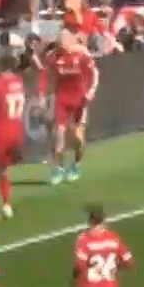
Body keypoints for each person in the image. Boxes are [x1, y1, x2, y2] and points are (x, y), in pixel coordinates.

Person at [44, 31, 99, 184]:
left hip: (79, 100)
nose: (62, 43)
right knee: (58, 137)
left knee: (77, 138)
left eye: (64, 40)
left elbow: (94, 72)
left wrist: (91, 91)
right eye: (59, 41)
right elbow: (48, 77)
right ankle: (59, 168)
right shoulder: (53, 57)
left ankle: (76, 164)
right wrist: (47, 97)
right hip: (62, 99)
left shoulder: (81, 55)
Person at [0, 51, 27, 220]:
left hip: (1, 132)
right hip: (17, 131)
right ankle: (6, 205)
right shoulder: (19, 82)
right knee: (3, 169)